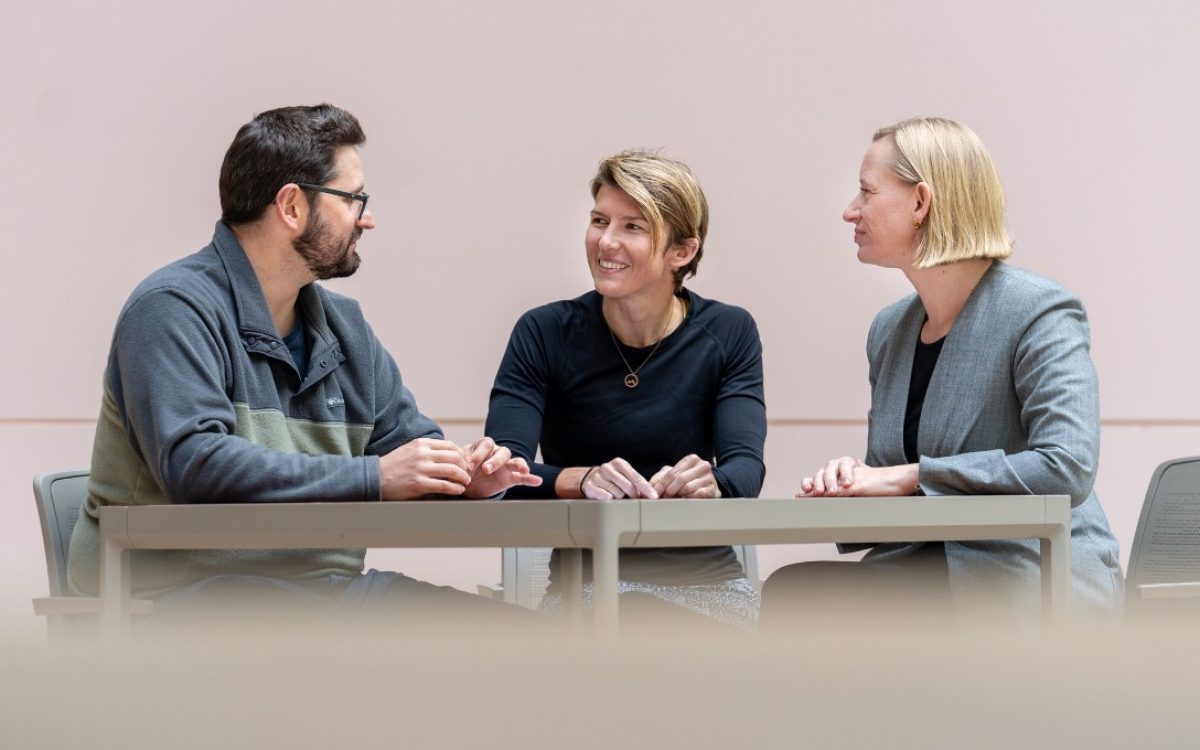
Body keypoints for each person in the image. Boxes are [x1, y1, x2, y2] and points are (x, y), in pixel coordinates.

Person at [66, 104, 541, 630]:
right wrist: (377, 476)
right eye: (354, 199)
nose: (368, 218)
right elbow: (196, 466)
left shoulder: (344, 327)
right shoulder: (171, 309)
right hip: (176, 603)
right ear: (291, 206)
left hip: (324, 596)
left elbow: (406, 452)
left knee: (525, 643)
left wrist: (461, 476)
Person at [760, 117, 1123, 629]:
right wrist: (854, 485)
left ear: (920, 202)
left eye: (866, 191)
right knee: (798, 593)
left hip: (1027, 574)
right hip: (919, 573)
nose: (850, 211)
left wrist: (909, 477)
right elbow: (899, 495)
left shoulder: (1039, 311)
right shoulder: (889, 331)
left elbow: (1067, 467)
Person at [485, 149, 766, 632]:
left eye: (633, 227)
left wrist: (712, 482)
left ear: (682, 251)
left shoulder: (729, 331)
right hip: (584, 593)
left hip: (710, 590)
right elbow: (502, 472)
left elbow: (746, 469)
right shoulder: (544, 331)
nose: (605, 242)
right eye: (599, 220)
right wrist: (582, 479)